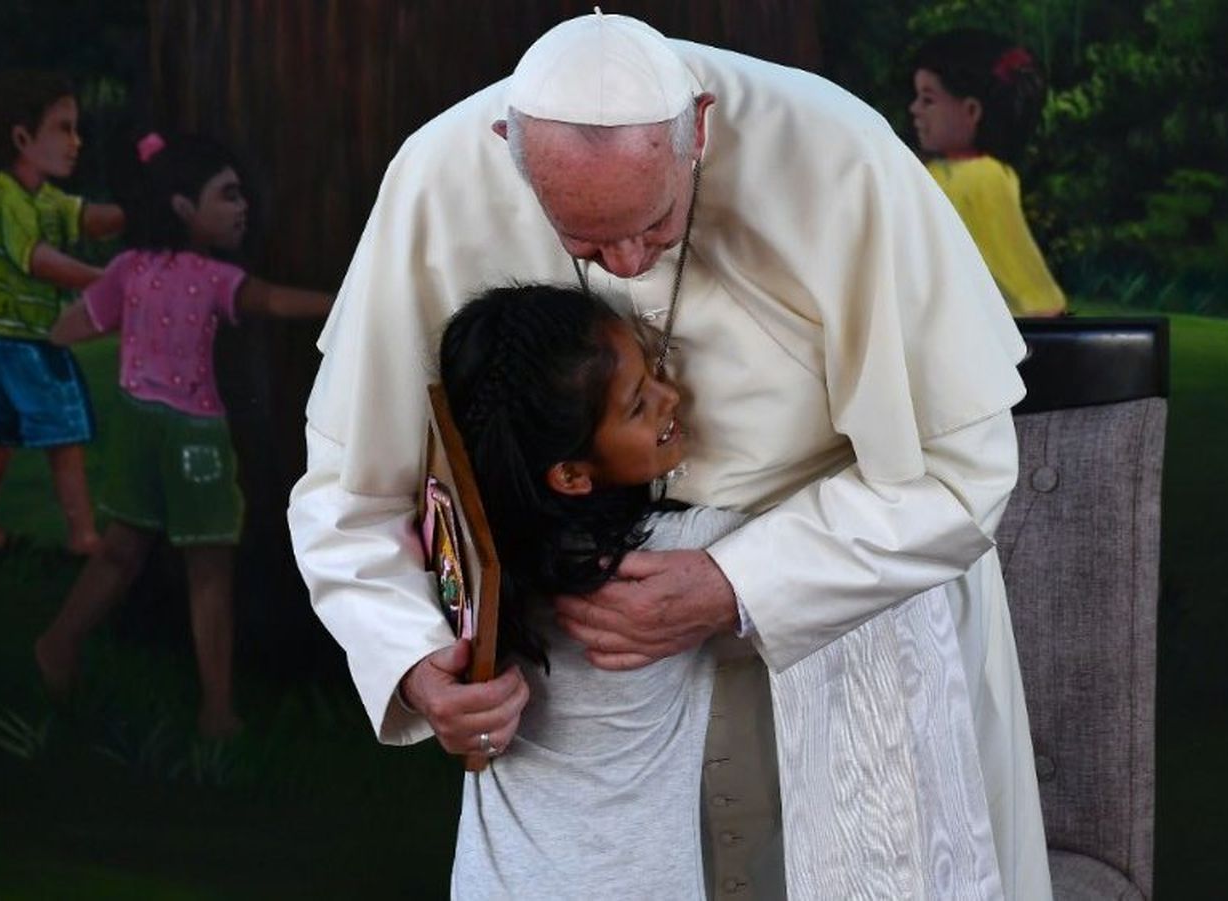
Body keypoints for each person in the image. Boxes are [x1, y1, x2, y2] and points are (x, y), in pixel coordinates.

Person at [290, 12, 1050, 899]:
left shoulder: (841, 154)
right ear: (507, 148)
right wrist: (418, 661)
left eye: (653, 224)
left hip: (842, 646)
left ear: (702, 131)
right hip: (581, 721)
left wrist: (737, 581)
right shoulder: (436, 174)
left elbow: (964, 470)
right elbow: (352, 489)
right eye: (581, 239)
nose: (624, 263)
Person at [436, 283, 752, 898]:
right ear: (572, 475)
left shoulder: (488, 561)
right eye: (638, 405)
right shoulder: (676, 557)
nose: (670, 396)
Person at [36, 132, 331, 738]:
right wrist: (347, 303)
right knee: (206, 568)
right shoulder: (207, 278)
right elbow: (272, 301)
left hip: (138, 427)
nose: (242, 206)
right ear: (181, 208)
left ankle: (66, 645)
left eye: (241, 194)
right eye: (226, 195)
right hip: (193, 437)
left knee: (129, 551)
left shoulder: (134, 271)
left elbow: (68, 328)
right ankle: (216, 708)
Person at [0, 69, 126, 553]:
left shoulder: (44, 196)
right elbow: (36, 259)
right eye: (64, 128)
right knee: (64, 424)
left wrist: (138, 207)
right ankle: (83, 535)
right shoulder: (5, 193)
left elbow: (88, 220)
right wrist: (104, 282)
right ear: (22, 137)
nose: (76, 141)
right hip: (18, 336)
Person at [909, 30, 1068, 318]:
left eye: (928, 100)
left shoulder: (970, 179)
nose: (915, 109)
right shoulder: (995, 174)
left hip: (1013, 322)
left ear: (971, 111)